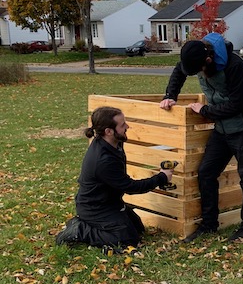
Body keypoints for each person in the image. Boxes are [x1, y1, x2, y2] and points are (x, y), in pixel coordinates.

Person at [160, 33, 243, 243]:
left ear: (208, 60)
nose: (198, 74)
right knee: (206, 173)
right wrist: (170, 95)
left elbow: (237, 104)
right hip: (222, 129)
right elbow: (179, 71)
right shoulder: (194, 57)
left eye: (198, 70)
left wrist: (205, 110)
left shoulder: (236, 66)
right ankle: (209, 225)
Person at [55, 106, 174, 248]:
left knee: (137, 228)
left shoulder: (113, 142)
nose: (127, 127)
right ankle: (80, 230)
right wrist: (162, 177)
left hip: (110, 202)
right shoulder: (103, 160)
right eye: (123, 125)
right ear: (108, 131)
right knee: (128, 240)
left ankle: (109, 224)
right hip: (95, 207)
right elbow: (131, 187)